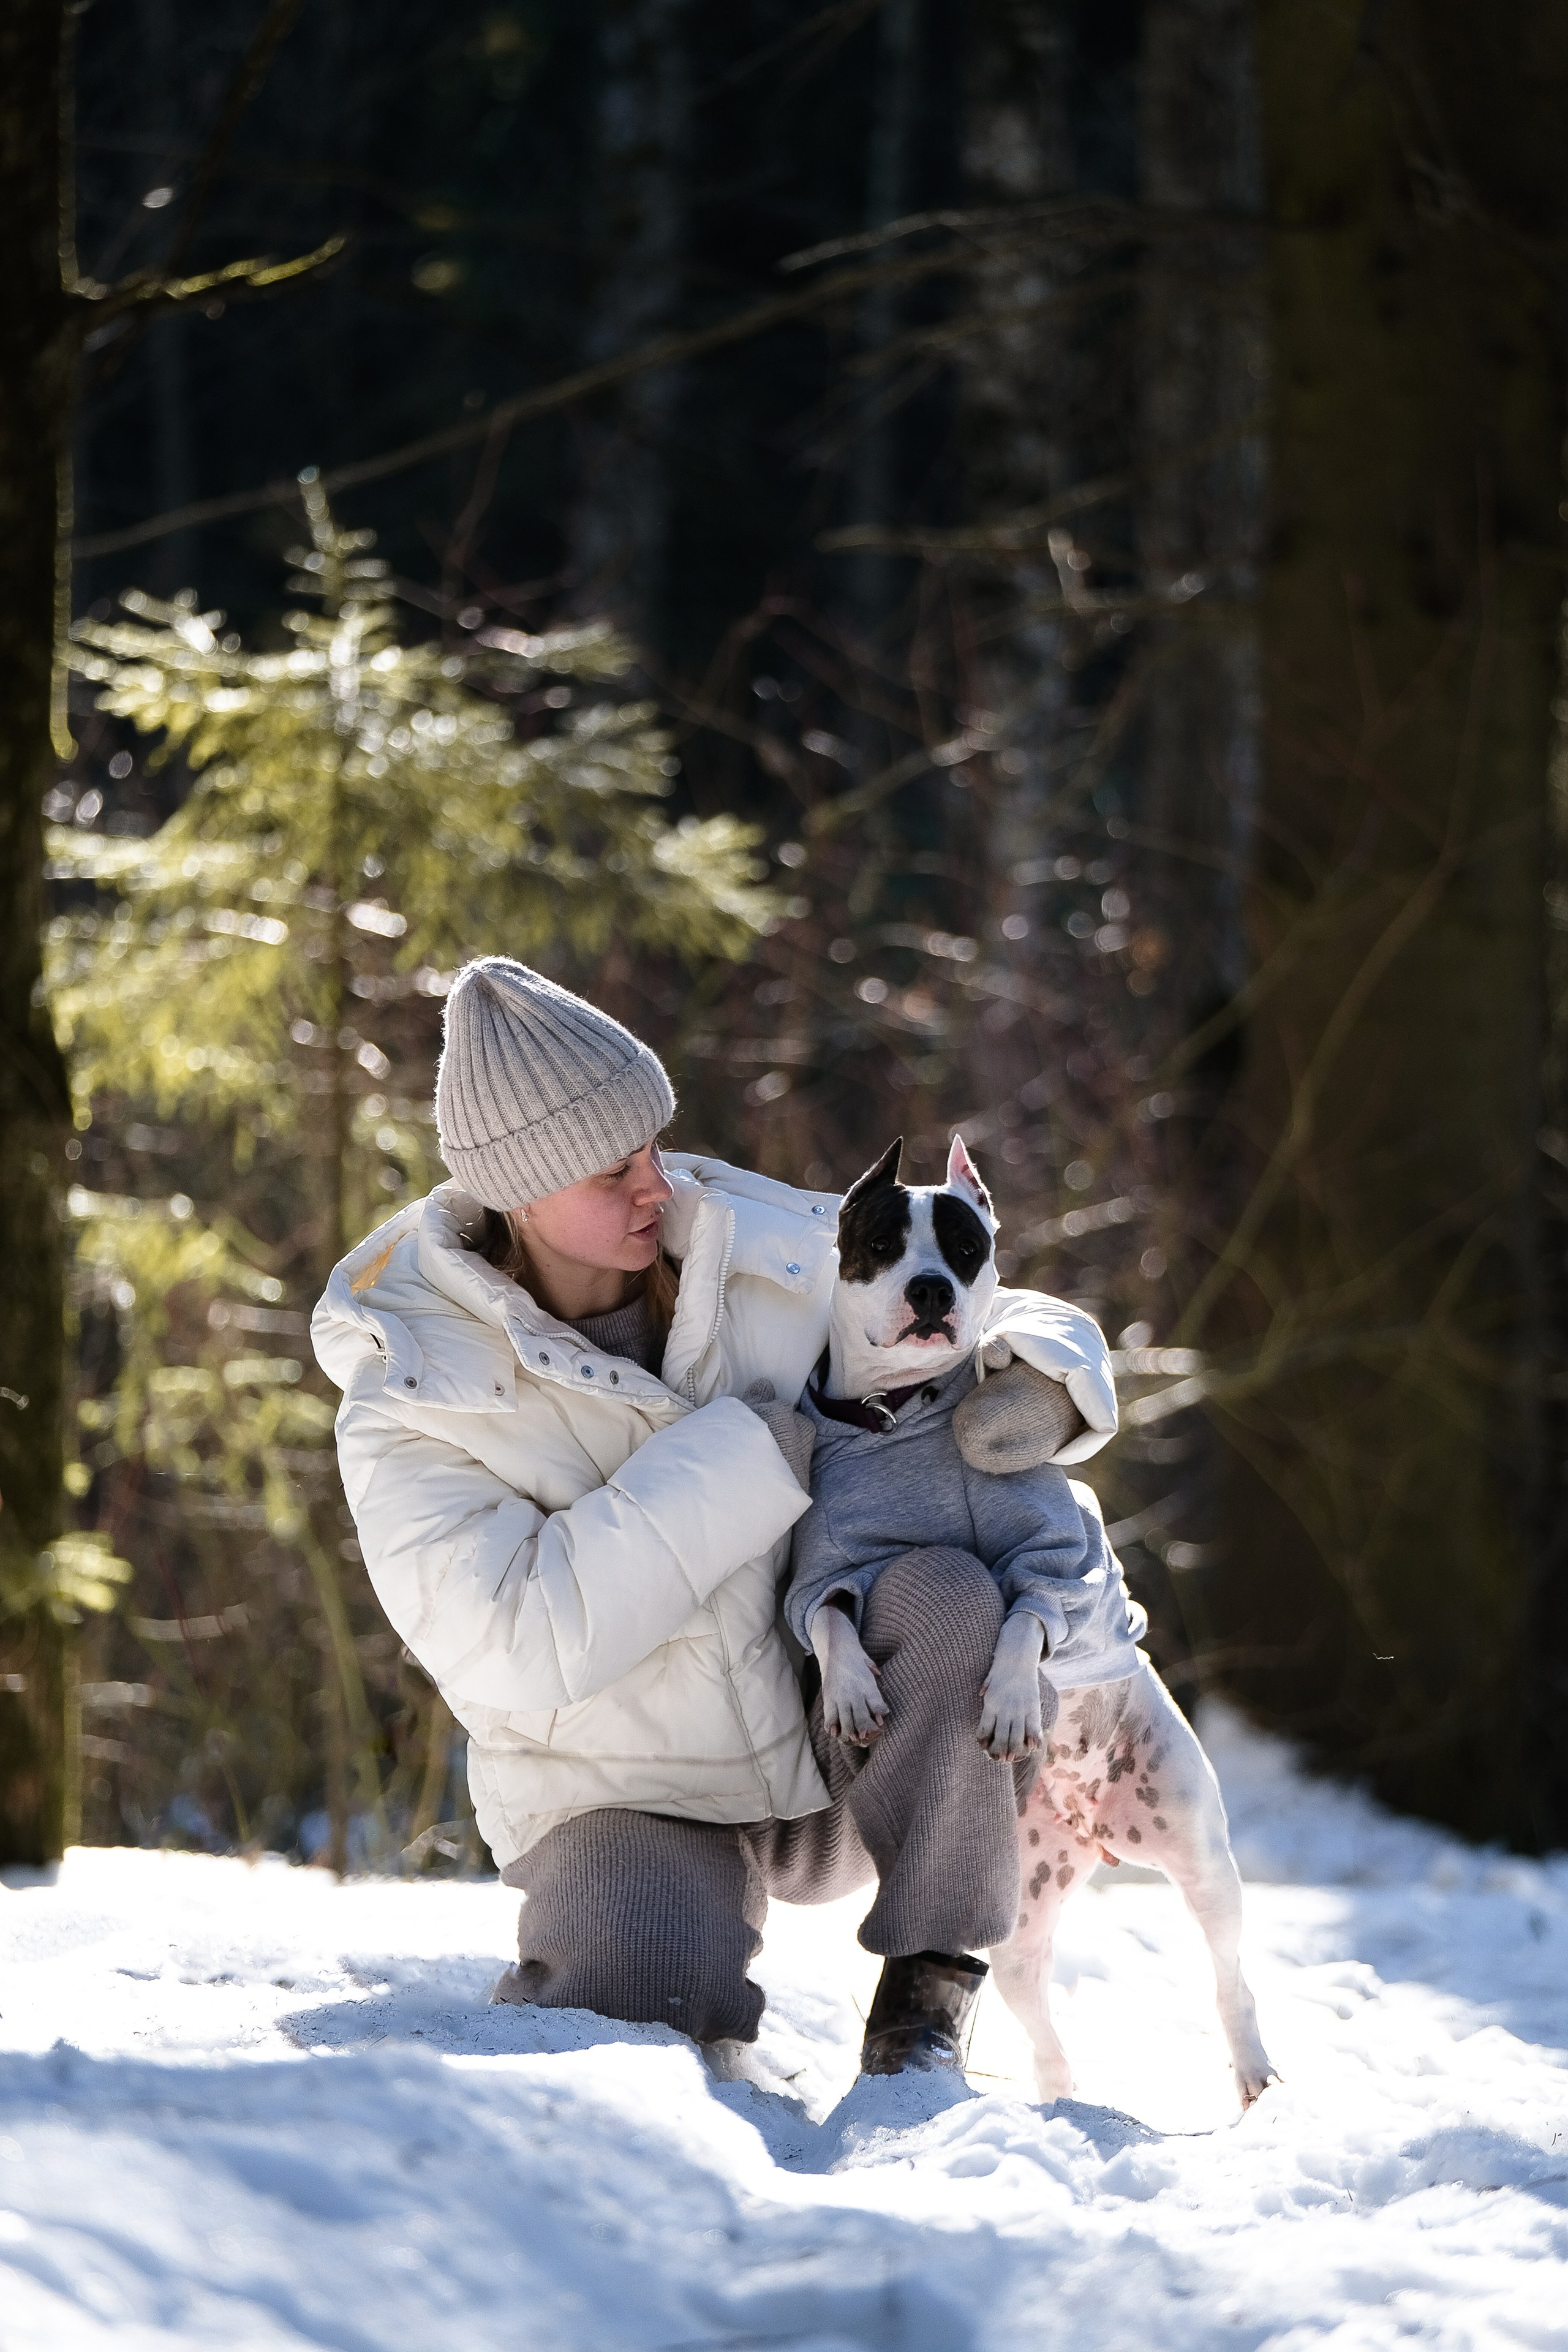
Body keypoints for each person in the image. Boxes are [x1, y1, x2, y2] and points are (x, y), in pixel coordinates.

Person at [311, 956, 1114, 2068]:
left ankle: (931, 1989)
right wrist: (749, 1455)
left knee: (949, 1597)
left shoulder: (750, 1247)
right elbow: (513, 1645)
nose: (656, 1185)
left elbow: (962, 1279)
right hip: (630, 1793)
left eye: (652, 1147)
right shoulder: (410, 1396)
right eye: (612, 1172)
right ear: (517, 1192)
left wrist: (1043, 1382)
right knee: (624, 2022)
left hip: (840, 1738)